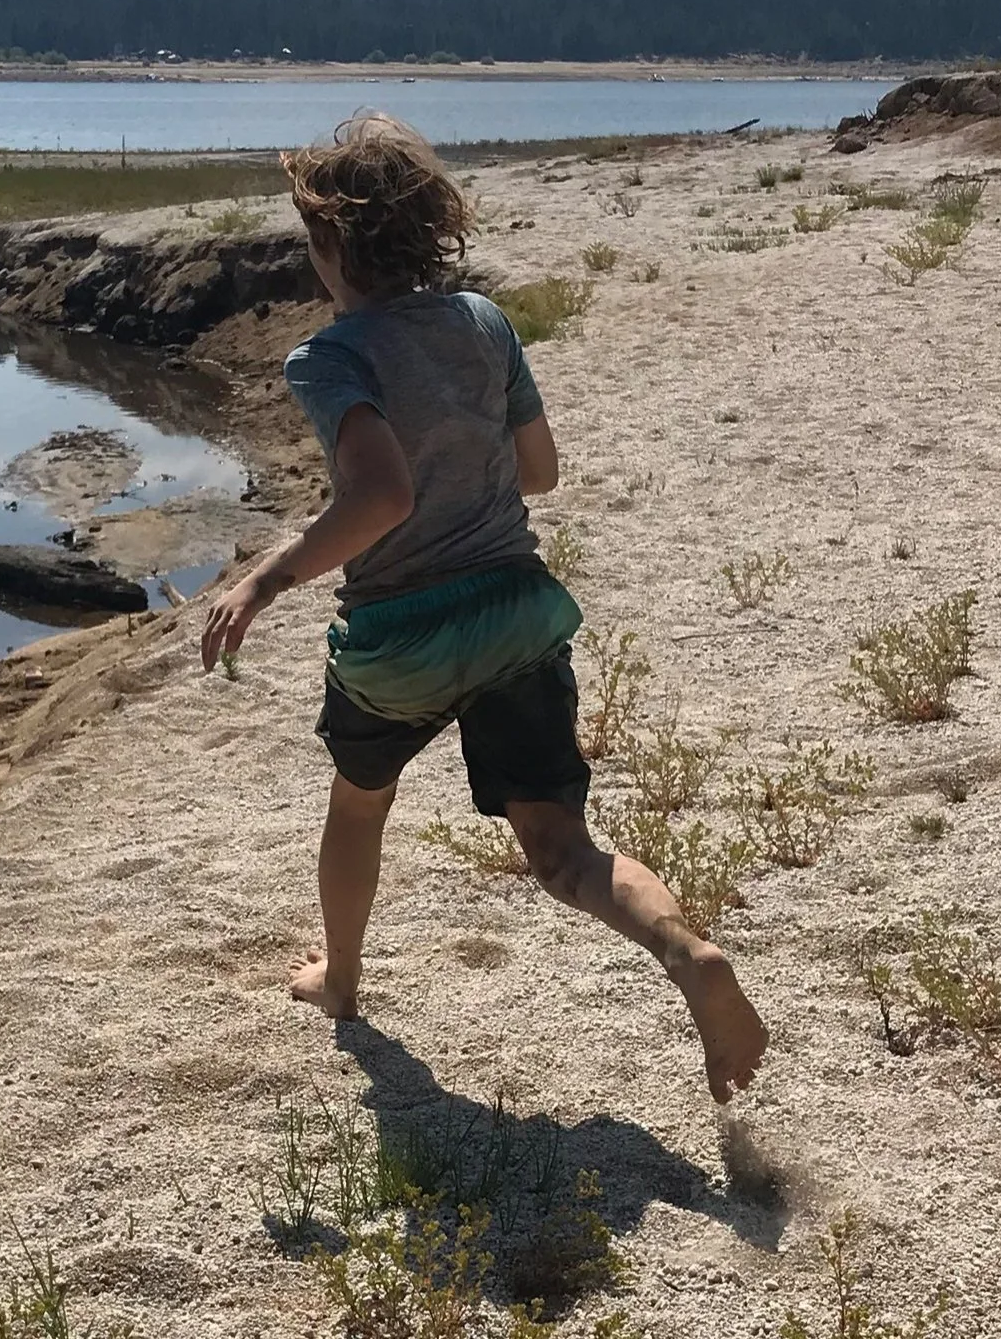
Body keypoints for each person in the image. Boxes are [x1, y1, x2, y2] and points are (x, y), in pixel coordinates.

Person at [200, 114, 769, 1105]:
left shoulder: (330, 357)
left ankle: (339, 976)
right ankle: (689, 955)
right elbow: (539, 471)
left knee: (358, 801)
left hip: (401, 638)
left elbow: (379, 498)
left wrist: (267, 575)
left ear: (331, 244)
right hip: (517, 611)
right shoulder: (483, 321)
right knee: (562, 847)